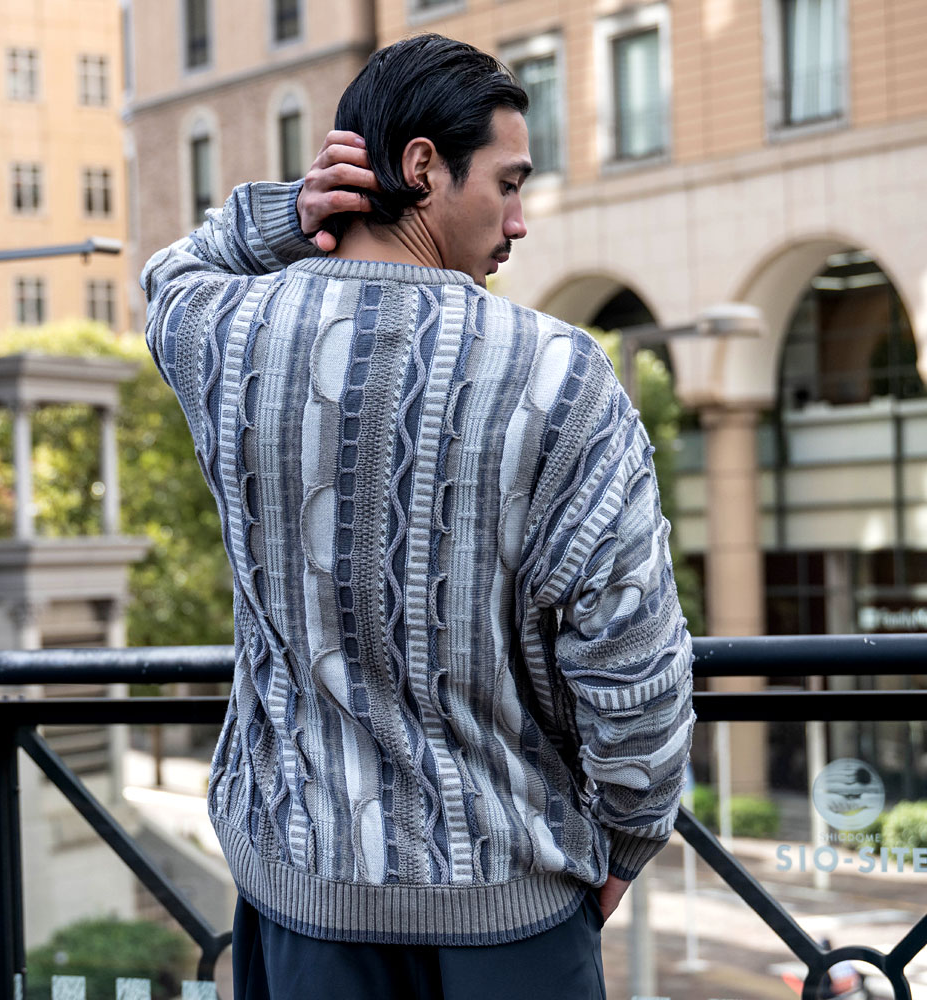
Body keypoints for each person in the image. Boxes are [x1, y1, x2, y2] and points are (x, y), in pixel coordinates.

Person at [142, 33, 694, 1000]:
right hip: (510, 916)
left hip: (303, 909)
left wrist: (291, 212)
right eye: (508, 184)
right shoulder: (560, 375)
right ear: (425, 166)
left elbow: (171, 277)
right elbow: (629, 649)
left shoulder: (227, 336)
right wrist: (630, 833)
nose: (519, 221)